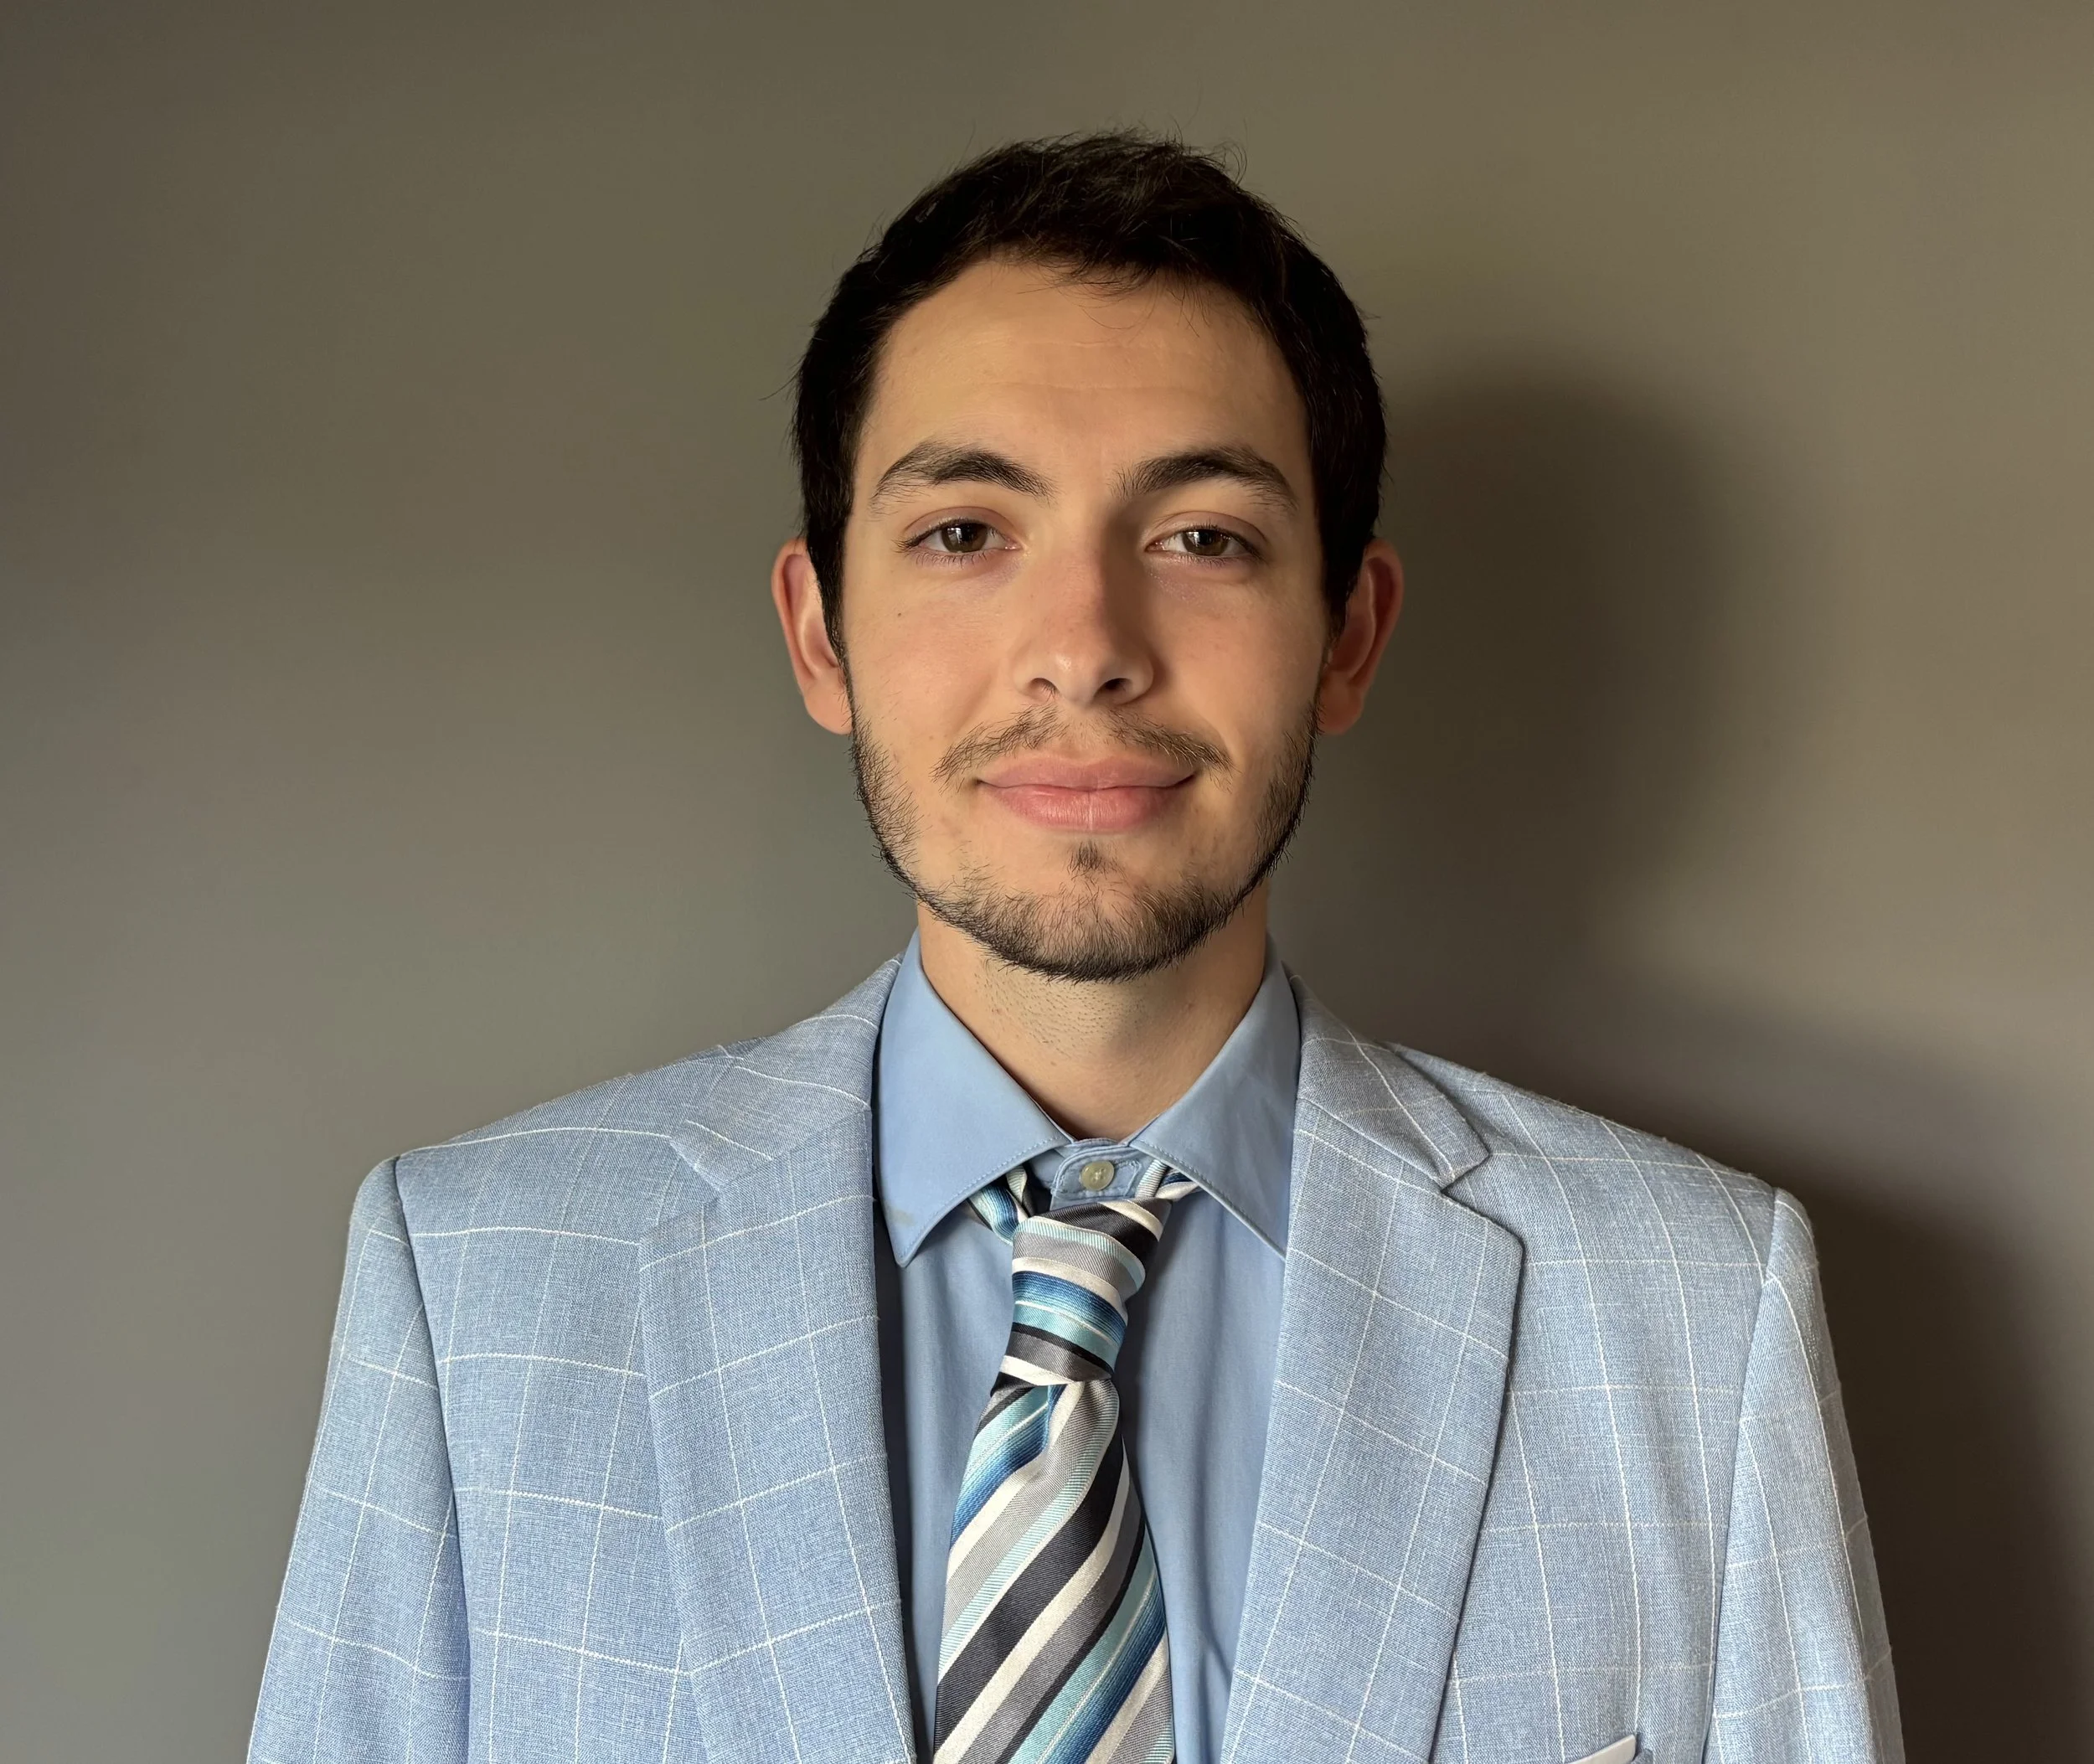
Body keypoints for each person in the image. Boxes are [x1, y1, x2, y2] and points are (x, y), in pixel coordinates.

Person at [250, 133, 1900, 1764]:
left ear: (1347, 635)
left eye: (1202, 538)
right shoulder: (479, 1289)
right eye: (966, 532)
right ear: (822, 635)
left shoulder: (1692, 1309)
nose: (1084, 650)